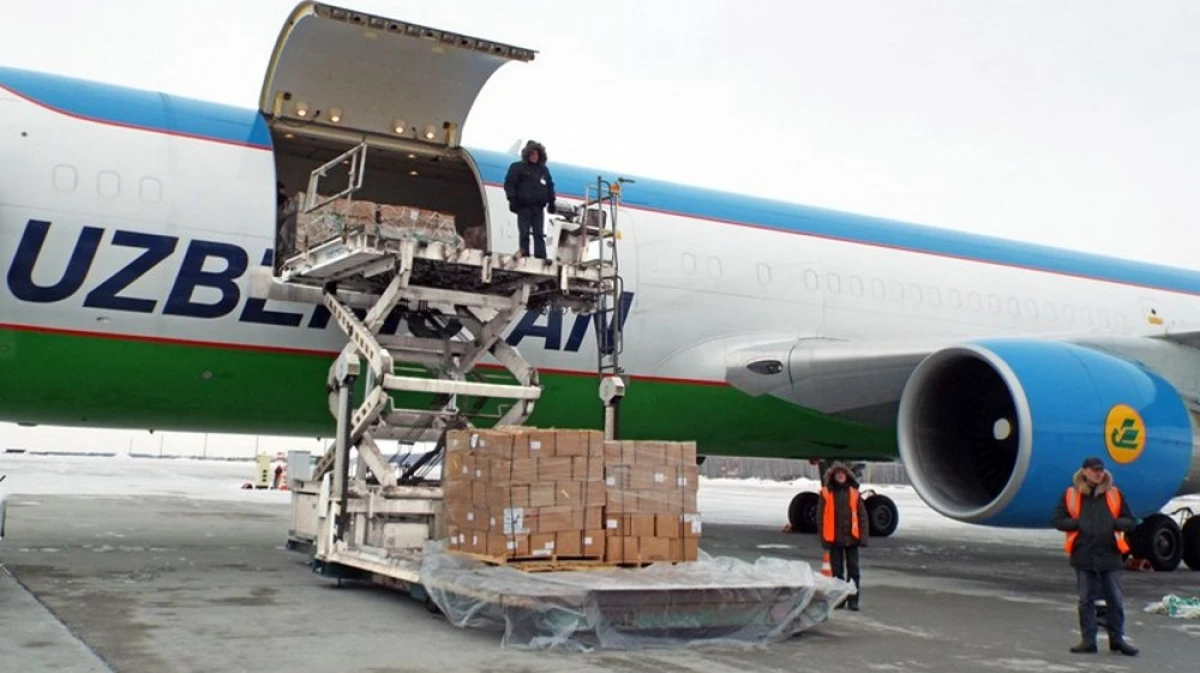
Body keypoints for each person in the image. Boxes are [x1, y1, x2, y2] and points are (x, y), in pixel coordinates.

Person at [1052, 456, 1139, 656]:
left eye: (1100, 470)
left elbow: (1130, 520)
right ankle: (1088, 641)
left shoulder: (1114, 494)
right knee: (1086, 600)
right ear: (1085, 471)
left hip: (1110, 554)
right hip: (1084, 554)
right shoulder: (1071, 494)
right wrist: (1077, 524)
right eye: (1094, 470)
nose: (1098, 473)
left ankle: (1117, 639)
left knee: (1115, 600)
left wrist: (1116, 524)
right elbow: (1057, 520)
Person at [817, 462, 869, 610]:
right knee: (837, 572)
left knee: (853, 571)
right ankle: (839, 599)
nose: (840, 475)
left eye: (842, 473)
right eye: (837, 473)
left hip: (852, 538)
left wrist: (863, 537)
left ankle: (853, 600)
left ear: (847, 475)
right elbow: (820, 518)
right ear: (833, 476)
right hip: (834, 539)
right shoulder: (826, 493)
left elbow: (862, 516)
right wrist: (824, 538)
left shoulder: (854, 493)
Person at [503, 140, 556, 259]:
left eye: (537, 154)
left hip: (538, 207)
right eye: (532, 154)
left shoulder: (543, 170)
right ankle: (524, 253)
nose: (534, 156)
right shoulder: (517, 167)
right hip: (523, 206)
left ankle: (540, 256)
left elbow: (550, 186)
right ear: (527, 154)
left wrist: (552, 201)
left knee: (539, 233)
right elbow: (509, 183)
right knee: (524, 232)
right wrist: (512, 199)